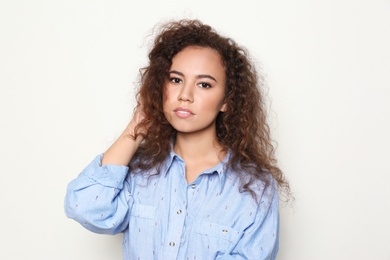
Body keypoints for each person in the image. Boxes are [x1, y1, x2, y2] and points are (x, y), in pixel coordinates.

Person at [65, 19, 290, 259]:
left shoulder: (255, 187)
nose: (185, 95)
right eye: (175, 80)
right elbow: (85, 208)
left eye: (204, 84)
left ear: (227, 100)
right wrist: (137, 127)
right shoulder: (139, 172)